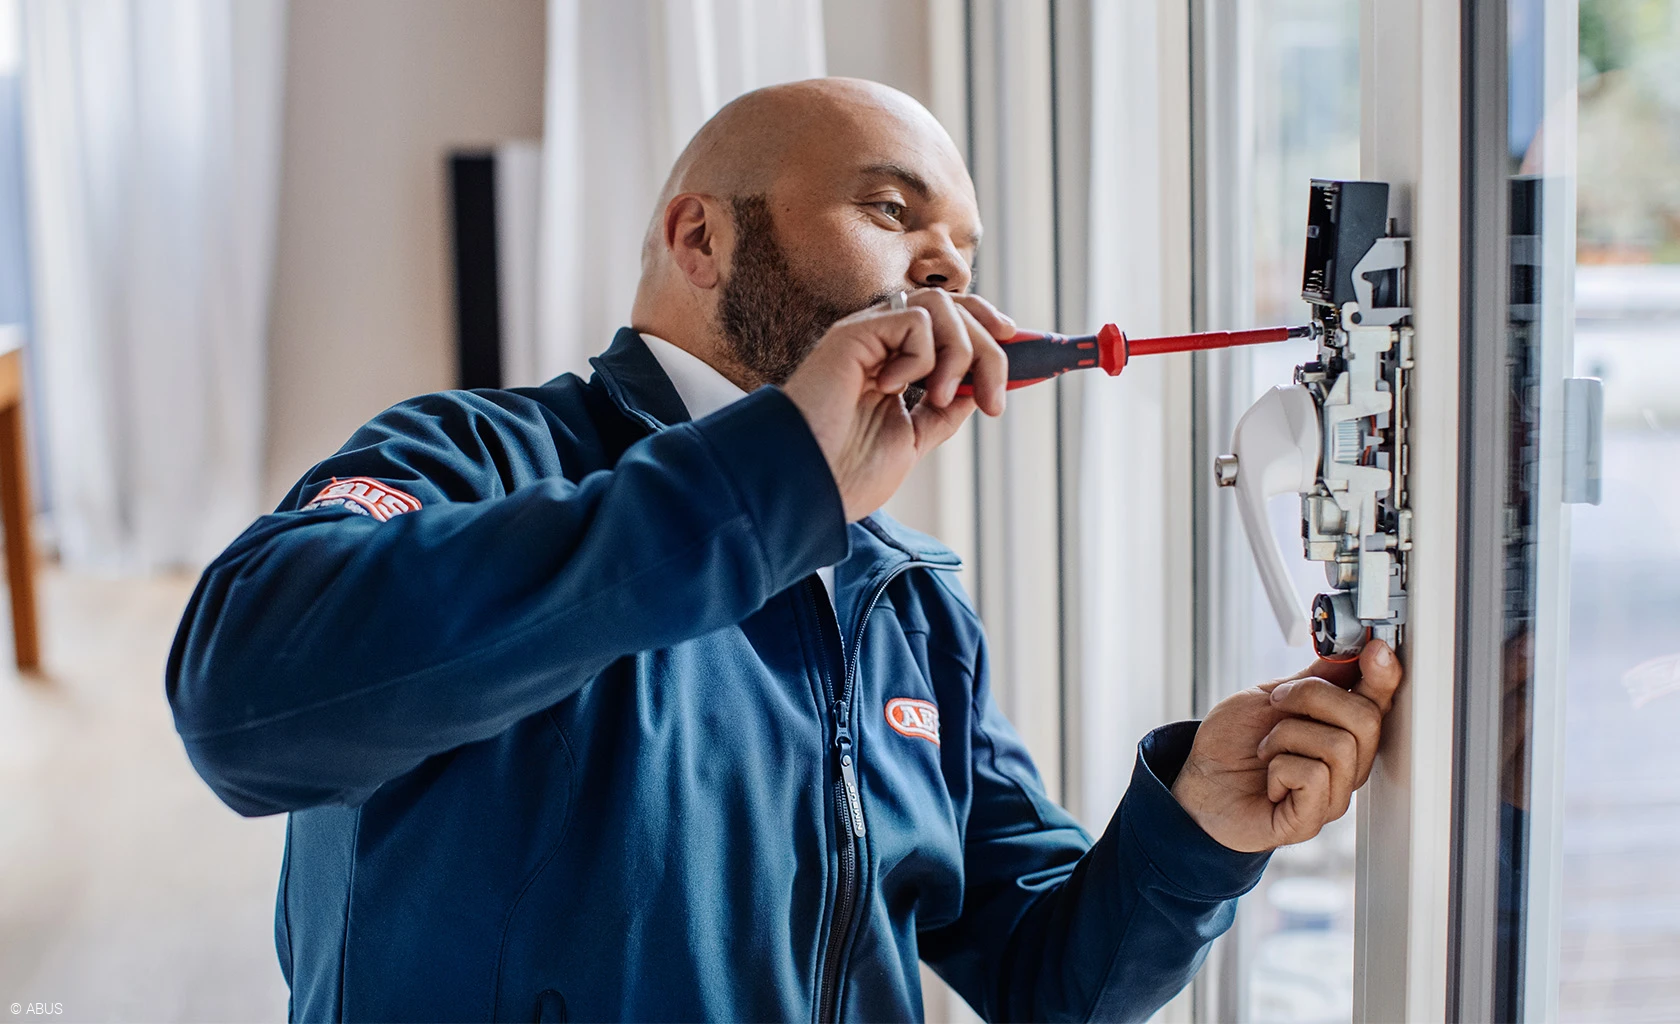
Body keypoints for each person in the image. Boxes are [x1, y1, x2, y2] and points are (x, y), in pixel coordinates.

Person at [167, 78, 1402, 1023]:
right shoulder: (476, 459)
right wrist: (769, 479)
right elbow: (243, 700)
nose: (945, 270)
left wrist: (1198, 828)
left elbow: (1045, 979)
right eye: (890, 209)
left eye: (962, 253)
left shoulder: (909, 605)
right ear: (700, 239)